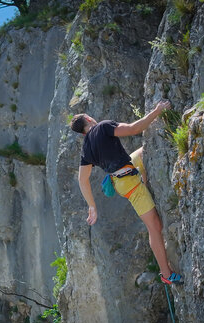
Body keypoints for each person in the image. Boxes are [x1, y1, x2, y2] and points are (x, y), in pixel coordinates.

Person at [70, 100, 182, 285]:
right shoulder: (103, 126)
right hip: (129, 183)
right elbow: (133, 128)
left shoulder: (86, 149)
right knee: (154, 226)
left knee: (147, 150)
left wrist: (92, 206)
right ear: (89, 119)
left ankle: (144, 179)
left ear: (81, 131)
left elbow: (82, 180)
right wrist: (157, 111)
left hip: (122, 180)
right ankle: (166, 274)